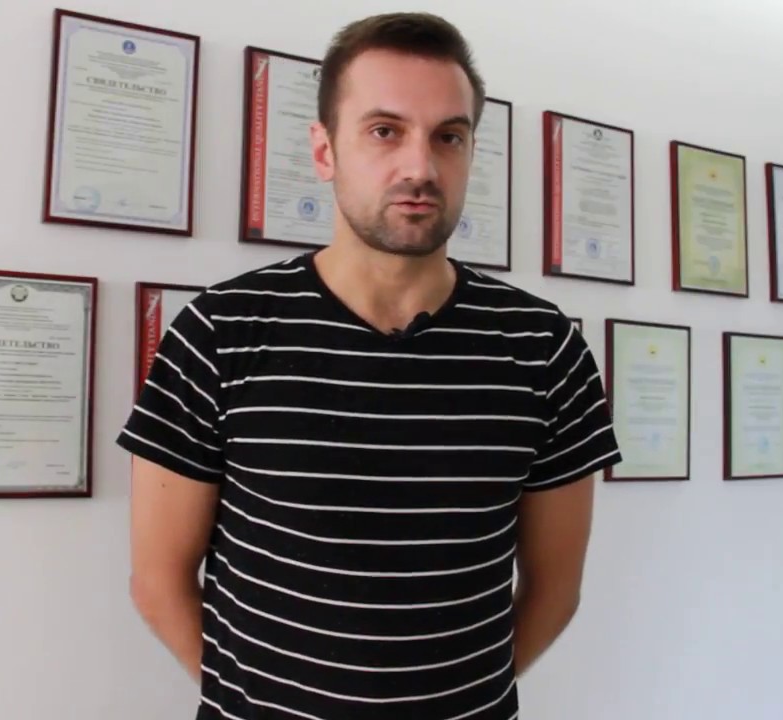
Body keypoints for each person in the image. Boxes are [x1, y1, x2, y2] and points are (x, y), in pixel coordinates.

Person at [117, 11, 621, 719]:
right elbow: (157, 581)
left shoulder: (543, 347)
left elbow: (556, 590)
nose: (420, 167)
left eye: (448, 136)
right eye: (385, 131)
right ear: (324, 151)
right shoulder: (220, 332)